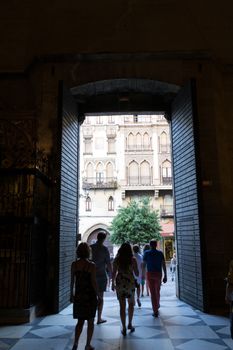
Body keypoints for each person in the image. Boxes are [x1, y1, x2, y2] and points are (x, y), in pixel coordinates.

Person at [70, 242, 97, 350]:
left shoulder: (74, 264)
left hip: (79, 296)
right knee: (90, 321)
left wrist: (71, 295)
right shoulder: (91, 265)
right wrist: (99, 295)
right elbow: (93, 282)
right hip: (89, 296)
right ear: (88, 252)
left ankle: (76, 343)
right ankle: (87, 345)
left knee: (80, 322)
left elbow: (72, 281)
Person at [112, 242, 139, 336]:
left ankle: (123, 327)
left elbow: (113, 273)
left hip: (120, 283)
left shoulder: (116, 260)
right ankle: (130, 324)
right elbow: (137, 273)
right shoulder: (133, 260)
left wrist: (112, 284)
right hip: (130, 283)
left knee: (122, 306)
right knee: (131, 304)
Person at [90, 231, 112, 324]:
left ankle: (91, 317)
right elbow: (108, 263)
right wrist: (111, 274)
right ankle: (99, 318)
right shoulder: (104, 249)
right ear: (103, 239)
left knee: (91, 297)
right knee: (100, 297)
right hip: (101, 275)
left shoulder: (90, 248)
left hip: (91, 275)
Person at [142, 240, 167, 317]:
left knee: (152, 293)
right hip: (158, 274)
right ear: (156, 245)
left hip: (150, 274)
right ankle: (157, 304)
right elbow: (163, 264)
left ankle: (155, 310)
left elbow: (144, 265)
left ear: (150, 245)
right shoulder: (160, 253)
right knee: (157, 290)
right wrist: (165, 275)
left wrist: (143, 275)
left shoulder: (146, 253)